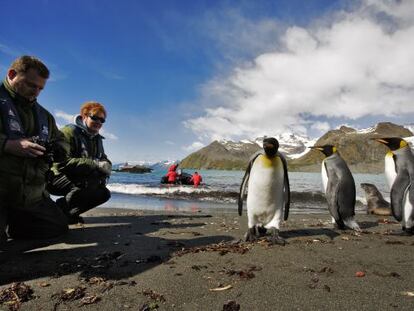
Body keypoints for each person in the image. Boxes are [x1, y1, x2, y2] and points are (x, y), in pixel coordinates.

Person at [0, 55, 69, 244]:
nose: (36, 92)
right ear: (12, 74)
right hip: (3, 189)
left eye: (40, 88)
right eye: (31, 85)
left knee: (58, 227)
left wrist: (57, 149)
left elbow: (62, 140)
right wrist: (8, 144)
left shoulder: (44, 115)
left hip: (30, 193)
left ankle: (15, 223)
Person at [47, 101, 111, 224]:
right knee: (86, 184)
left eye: (102, 120)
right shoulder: (69, 132)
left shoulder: (97, 139)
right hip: (55, 176)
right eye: (95, 118)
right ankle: (58, 212)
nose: (98, 122)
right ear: (84, 116)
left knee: (103, 193)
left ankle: (69, 213)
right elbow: (61, 162)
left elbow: (103, 158)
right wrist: (95, 164)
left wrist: (107, 166)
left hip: (79, 177)